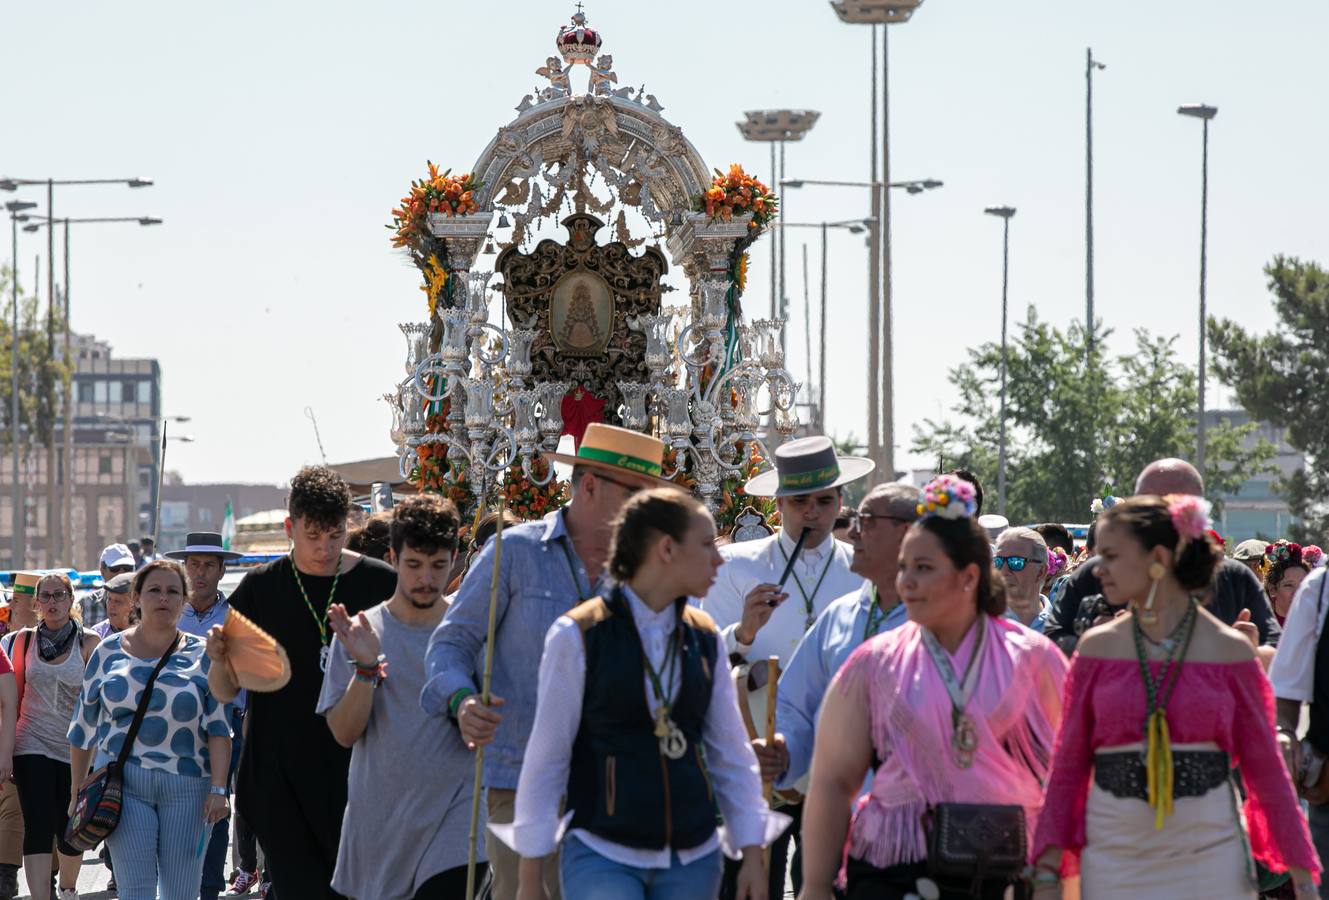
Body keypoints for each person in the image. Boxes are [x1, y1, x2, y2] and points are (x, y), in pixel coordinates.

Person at [424, 424, 679, 900]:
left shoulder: (648, 572)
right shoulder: (514, 552)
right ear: (590, 485)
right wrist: (462, 701)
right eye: (637, 495)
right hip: (520, 784)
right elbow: (450, 645)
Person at [497, 488, 782, 900]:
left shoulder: (704, 636)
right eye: (706, 545)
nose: (719, 558)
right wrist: (530, 876)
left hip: (693, 854)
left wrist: (753, 852)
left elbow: (731, 754)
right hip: (601, 850)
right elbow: (547, 758)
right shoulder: (578, 634)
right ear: (667, 549)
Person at [1032, 496, 1318, 899]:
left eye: (1112, 556)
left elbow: (1266, 768)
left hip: (1211, 858)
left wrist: (1302, 875)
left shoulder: (1230, 651)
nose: (1098, 568)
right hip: (1115, 859)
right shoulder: (1096, 648)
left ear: (1157, 559)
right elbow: (1068, 762)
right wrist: (1046, 869)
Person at [798, 474, 1067, 900]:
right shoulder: (874, 662)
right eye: (904, 567)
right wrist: (815, 886)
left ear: (969, 576)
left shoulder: (1034, 658)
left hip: (1002, 866)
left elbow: (1065, 775)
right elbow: (832, 780)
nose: (906, 582)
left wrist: (1054, 878)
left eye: (923, 568)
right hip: (892, 869)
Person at [207, 465, 398, 899]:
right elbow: (224, 690)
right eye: (313, 536)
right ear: (290, 527)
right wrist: (219, 659)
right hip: (279, 779)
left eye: (335, 535)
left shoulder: (380, 583)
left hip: (360, 775)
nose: (325, 548)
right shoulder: (261, 588)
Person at [700, 435, 872, 900]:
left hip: (839, 756)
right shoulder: (735, 565)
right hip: (757, 756)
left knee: (831, 886)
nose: (812, 513)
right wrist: (743, 632)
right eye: (799, 502)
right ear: (778, 504)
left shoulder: (863, 572)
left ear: (841, 502)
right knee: (752, 886)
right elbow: (702, 657)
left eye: (824, 501)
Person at [318, 494, 481, 898]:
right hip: (381, 827)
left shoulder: (472, 631)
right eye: (414, 564)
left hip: (457, 822)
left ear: (454, 559)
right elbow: (343, 733)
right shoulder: (360, 632)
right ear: (393, 558)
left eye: (438, 565)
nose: (426, 578)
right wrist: (366, 668)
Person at [67, 560, 232, 900]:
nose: (164, 598)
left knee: (181, 893)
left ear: (184, 599)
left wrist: (219, 789)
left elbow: (219, 727)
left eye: (173, 591)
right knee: (135, 891)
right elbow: (82, 728)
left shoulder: (205, 654)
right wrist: (76, 792)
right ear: (137, 598)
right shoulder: (107, 651)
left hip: (189, 788)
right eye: (154, 590)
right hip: (123, 788)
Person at [1044, 459, 1280, 657]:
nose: (1159, 517)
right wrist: (1095, 642)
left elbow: (1276, 650)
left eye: (1172, 506)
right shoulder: (1101, 573)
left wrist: (1249, 652)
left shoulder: (1232, 578)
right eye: (1146, 505)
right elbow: (1052, 642)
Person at [773, 484, 919, 796]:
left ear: (905, 533)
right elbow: (794, 705)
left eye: (865, 522)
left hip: (920, 815)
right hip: (839, 813)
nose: (852, 533)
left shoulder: (944, 618)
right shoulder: (839, 615)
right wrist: (783, 751)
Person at [164, 532, 245, 900]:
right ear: (184, 568)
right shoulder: (166, 614)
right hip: (172, 723)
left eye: (209, 565)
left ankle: (209, 887)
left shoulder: (238, 618)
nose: (200, 572)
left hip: (226, 722)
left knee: (217, 802)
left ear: (221, 570)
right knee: (173, 805)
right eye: (194, 564)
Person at [10, 572, 98, 900]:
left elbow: (101, 700)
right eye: (45, 596)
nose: (52, 602)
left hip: (76, 747)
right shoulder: (24, 641)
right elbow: (9, 696)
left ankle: (68, 888)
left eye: (59, 595)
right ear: (36, 603)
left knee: (69, 827)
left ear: (71, 599)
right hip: (31, 741)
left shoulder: (89, 643)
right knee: (38, 824)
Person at [0, 575, 35, 900]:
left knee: (20, 809)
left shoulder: (74, 640)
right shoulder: (7, 642)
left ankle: (9, 875)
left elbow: (9, 701)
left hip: (32, 741)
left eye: (16, 602)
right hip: (12, 738)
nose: (10, 607)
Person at [994, 527, 1051, 631]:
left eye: (1016, 562)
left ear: (1040, 572)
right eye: (998, 561)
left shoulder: (1060, 624)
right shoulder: (979, 624)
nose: (1003, 571)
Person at [1263, 541, 1320, 626]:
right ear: (1272, 589)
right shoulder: (1262, 625)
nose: (1298, 592)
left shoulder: (1318, 623)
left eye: (1303, 584)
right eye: (1289, 585)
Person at [81, 543, 137, 628]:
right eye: (115, 569)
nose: (122, 573)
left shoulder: (144, 603)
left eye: (127, 568)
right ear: (102, 572)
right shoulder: (85, 604)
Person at [91, 572, 137, 640]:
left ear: (134, 604)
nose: (111, 606)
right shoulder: (97, 635)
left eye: (118, 601)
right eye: (109, 599)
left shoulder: (149, 633)